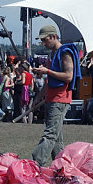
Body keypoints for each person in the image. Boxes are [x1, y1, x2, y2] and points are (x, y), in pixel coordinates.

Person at [30, 25, 79, 166]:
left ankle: (34, 164)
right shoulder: (53, 54)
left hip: (60, 99)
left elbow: (68, 76)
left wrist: (47, 71)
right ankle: (63, 166)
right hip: (51, 98)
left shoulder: (65, 53)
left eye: (45, 40)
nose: (44, 43)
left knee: (50, 134)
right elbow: (49, 81)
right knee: (56, 138)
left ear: (53, 37)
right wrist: (39, 97)